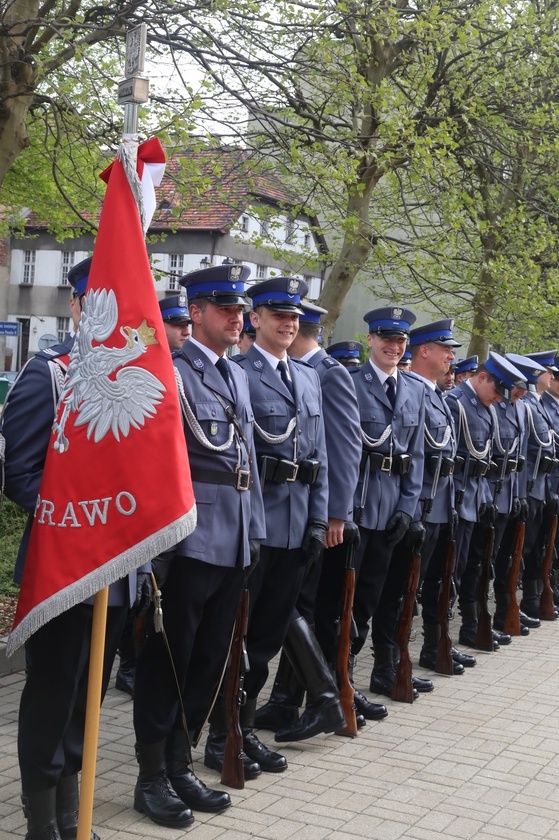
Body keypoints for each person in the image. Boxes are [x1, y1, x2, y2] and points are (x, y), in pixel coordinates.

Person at [2, 257, 152, 840]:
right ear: (76, 305)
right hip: (62, 570)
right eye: (96, 301)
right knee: (54, 693)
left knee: (89, 695)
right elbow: (18, 473)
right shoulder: (49, 373)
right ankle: (43, 821)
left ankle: (73, 816)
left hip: (117, 573)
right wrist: (83, 524)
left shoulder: (146, 377)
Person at [132, 263, 266, 828]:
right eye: (225, 308)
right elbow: (158, 464)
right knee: (169, 662)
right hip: (188, 541)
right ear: (197, 313)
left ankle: (180, 761)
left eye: (240, 309)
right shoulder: (173, 370)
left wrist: (255, 529)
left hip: (232, 537)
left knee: (210, 661)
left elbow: (248, 461)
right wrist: (157, 548)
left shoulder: (234, 375)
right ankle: (151, 776)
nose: (237, 317)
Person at [255, 301, 385, 742]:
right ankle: (291, 700)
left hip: (317, 516)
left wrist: (335, 516)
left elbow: (343, 449)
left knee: (306, 607)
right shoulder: (298, 370)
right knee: (299, 607)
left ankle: (317, 698)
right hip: (293, 514)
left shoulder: (326, 372)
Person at [225, 277, 329, 772]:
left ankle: (243, 731)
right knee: (237, 637)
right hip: (256, 527)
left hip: (294, 531)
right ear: (256, 319)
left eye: (295, 319)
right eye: (279, 316)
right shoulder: (240, 373)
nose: (289, 325)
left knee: (266, 639)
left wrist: (316, 522)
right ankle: (222, 735)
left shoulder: (308, 378)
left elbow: (320, 458)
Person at [114, 293, 193, 697]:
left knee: (159, 592)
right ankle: (128, 662)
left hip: (177, 505)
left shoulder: (185, 373)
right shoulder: (144, 372)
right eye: (176, 324)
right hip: (145, 505)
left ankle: (140, 659)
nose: (184, 331)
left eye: (185, 324)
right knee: (142, 591)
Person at [348, 306, 427, 702]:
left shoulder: (414, 389)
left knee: (381, 598)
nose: (394, 347)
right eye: (386, 339)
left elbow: (417, 456)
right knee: (350, 602)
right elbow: (342, 455)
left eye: (400, 341)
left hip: (392, 513)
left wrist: (407, 509)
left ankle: (369, 675)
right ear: (371, 341)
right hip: (359, 511)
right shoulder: (350, 383)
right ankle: (341, 679)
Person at [406, 319, 475, 675]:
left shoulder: (438, 396)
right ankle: (392, 663)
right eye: (445, 349)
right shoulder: (411, 392)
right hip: (419, 509)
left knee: (437, 582)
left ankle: (432, 649)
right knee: (404, 592)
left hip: (440, 508)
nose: (451, 356)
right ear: (424, 351)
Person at [506, 351, 559, 619]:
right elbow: (524, 453)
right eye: (548, 371)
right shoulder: (528, 402)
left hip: (543, 486)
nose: (550, 376)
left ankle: (533, 598)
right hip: (529, 487)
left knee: (538, 547)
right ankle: (520, 603)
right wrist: (523, 491)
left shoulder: (535, 403)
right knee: (521, 550)